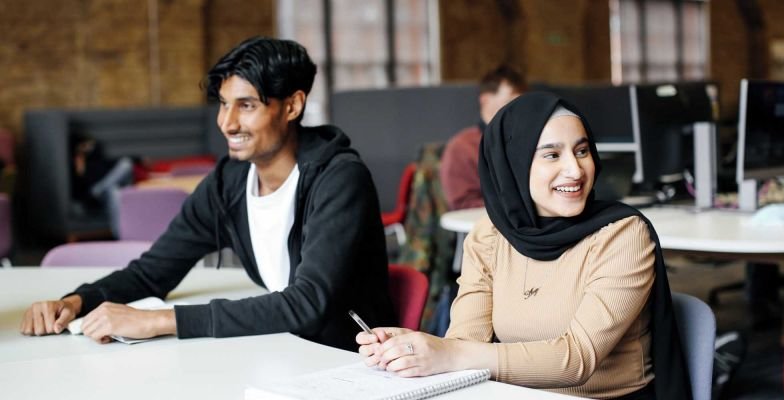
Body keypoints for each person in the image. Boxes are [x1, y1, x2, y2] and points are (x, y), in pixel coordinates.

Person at [19, 36, 396, 351]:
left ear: (293, 106)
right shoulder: (228, 182)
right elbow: (152, 272)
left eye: (246, 106)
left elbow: (308, 303)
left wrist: (160, 321)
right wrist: (75, 302)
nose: (227, 123)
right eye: (223, 104)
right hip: (275, 346)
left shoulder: (339, 179)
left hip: (341, 357)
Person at [357, 92, 691, 399]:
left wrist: (449, 353)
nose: (575, 170)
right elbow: (466, 343)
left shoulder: (622, 235)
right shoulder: (489, 235)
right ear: (513, 164)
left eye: (582, 150)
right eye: (552, 155)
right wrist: (412, 347)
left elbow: (577, 359)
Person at [439, 64, 526, 210]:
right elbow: (463, 203)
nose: (519, 106)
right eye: (512, 98)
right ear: (485, 99)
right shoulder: (462, 147)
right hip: (485, 227)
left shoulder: (526, 140)